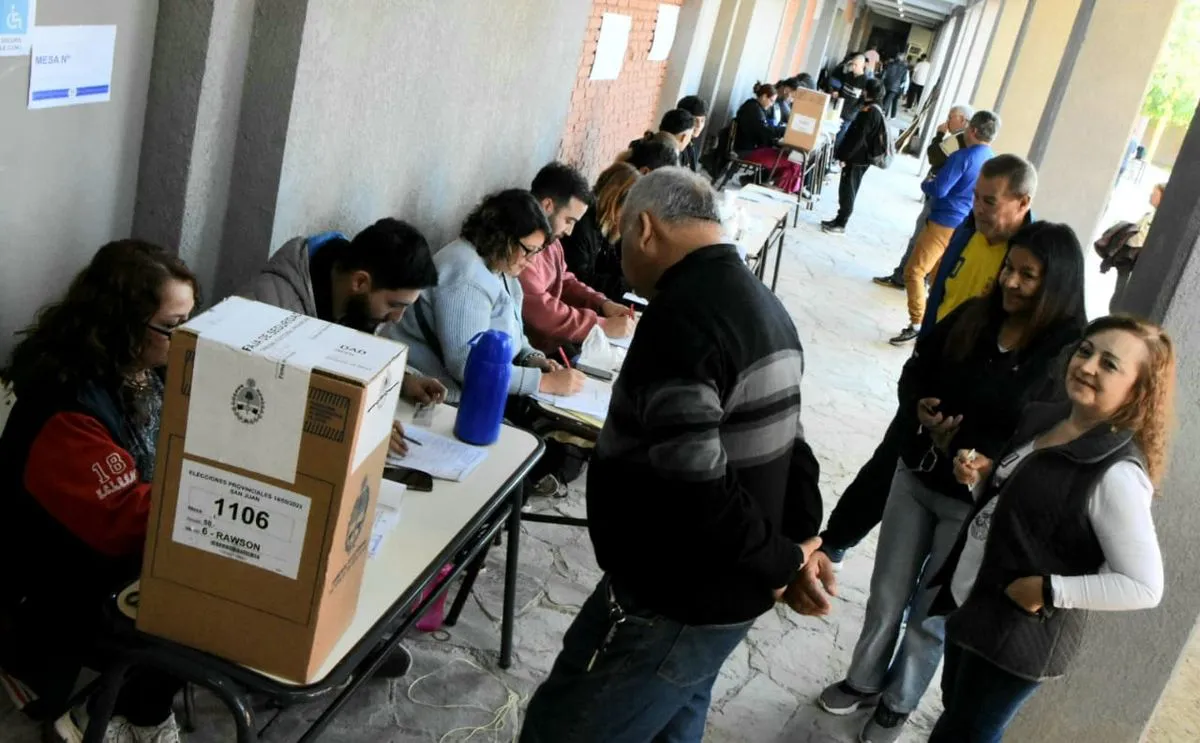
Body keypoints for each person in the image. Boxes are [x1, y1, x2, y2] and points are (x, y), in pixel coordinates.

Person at [519, 168, 825, 743]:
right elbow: (795, 446)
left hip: (677, 595)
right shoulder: (764, 305)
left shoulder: (684, 317)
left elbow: (696, 485)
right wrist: (803, 545)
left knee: (562, 729)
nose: (620, 253)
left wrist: (785, 561)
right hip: (721, 595)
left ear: (645, 228)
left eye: (619, 236)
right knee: (672, 722)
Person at [814, 222, 1089, 743]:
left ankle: (897, 704)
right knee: (887, 592)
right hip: (915, 475)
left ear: (1058, 284)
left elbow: (1046, 438)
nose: (1010, 281)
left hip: (972, 506)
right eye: (1010, 268)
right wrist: (918, 407)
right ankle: (864, 680)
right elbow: (917, 368)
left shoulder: (1062, 358)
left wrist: (985, 460)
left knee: (933, 611)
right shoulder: (973, 316)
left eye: (1028, 276)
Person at [928, 315, 1174, 742]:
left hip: (1015, 638)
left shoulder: (1116, 474)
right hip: (974, 605)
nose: (1088, 366)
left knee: (964, 735)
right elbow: (1029, 507)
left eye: (1109, 364)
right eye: (1086, 351)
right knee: (955, 717)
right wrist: (984, 478)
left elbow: (1144, 585)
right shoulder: (1048, 419)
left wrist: (1049, 590)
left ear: (1138, 391)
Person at [0, 241, 198, 743]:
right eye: (174, 327)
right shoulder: (65, 404)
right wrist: (211, 498)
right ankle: (113, 715)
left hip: (112, 549)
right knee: (200, 592)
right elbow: (123, 522)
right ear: (124, 321)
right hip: (61, 586)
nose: (186, 339)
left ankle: (135, 705)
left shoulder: (139, 368)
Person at [817, 154, 1039, 568]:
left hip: (975, 398)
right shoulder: (967, 232)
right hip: (933, 375)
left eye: (991, 202)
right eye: (976, 197)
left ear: (1023, 203)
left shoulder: (1029, 259)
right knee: (888, 460)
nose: (978, 208)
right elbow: (940, 298)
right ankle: (833, 544)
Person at [387, 189, 584, 403]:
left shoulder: (501, 268)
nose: (532, 261)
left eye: (536, 252)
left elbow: (512, 332)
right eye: (528, 250)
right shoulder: (466, 276)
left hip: (471, 394)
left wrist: (532, 358)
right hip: (434, 396)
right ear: (502, 237)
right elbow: (467, 365)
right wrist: (542, 383)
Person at [239, 218, 447, 420]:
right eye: (394, 305)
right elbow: (256, 393)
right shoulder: (269, 305)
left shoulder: (353, 298)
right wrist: (357, 426)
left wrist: (403, 380)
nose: (397, 319)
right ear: (360, 282)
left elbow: (355, 359)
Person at [890, 110, 1000, 345]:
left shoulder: (963, 157)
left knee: (915, 272)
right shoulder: (992, 161)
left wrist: (926, 183)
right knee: (938, 277)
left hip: (943, 221)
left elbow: (939, 189)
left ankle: (918, 322)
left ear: (972, 130)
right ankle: (935, 322)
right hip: (964, 226)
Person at [518, 162, 636, 356]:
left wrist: (603, 304)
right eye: (568, 221)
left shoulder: (552, 243)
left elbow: (565, 280)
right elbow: (544, 311)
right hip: (530, 353)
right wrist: (602, 325)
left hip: (548, 347)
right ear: (547, 206)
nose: (570, 231)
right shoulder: (522, 249)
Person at [875, 104, 974, 290]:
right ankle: (920, 279)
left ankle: (901, 277)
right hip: (955, 208)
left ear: (962, 120)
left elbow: (933, 156)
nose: (947, 120)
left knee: (920, 237)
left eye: (951, 116)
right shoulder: (975, 150)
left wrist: (938, 135)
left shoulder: (957, 140)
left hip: (941, 202)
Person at [561, 162, 640, 302]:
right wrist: (626, 284)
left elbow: (610, 264)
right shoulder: (582, 223)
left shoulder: (603, 224)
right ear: (615, 199)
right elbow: (580, 279)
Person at [820, 78, 888, 234]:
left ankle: (841, 223)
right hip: (860, 158)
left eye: (864, 90)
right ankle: (838, 219)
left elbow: (858, 138)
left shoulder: (870, 113)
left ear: (868, 92)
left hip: (857, 159)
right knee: (848, 189)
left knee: (848, 190)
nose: (862, 92)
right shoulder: (875, 109)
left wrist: (845, 157)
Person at [1100, 182, 1165, 312]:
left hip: (1131, 261)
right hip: (1128, 260)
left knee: (1121, 293)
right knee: (1120, 290)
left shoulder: (1155, 218)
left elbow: (1139, 239)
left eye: (1154, 194)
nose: (1151, 195)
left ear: (1163, 197)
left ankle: (1116, 314)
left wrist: (1125, 236)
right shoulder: (1151, 215)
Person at [733, 83, 807, 194]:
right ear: (763, 97)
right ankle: (777, 190)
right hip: (747, 151)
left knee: (790, 162)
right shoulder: (753, 109)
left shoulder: (757, 108)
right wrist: (785, 131)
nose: (772, 105)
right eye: (771, 100)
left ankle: (754, 180)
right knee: (792, 161)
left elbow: (766, 130)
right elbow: (765, 132)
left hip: (752, 147)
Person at [621, 109, 696, 162]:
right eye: (689, 137)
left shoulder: (638, 144)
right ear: (683, 137)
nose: (689, 141)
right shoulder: (668, 159)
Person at [831, 54, 868, 151]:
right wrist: (837, 93)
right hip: (839, 108)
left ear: (862, 65)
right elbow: (841, 89)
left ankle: (834, 154)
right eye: (853, 64)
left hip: (849, 114)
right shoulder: (848, 75)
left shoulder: (865, 81)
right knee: (831, 133)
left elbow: (863, 101)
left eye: (856, 65)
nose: (853, 67)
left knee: (840, 136)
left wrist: (853, 111)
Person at [676, 95, 709, 172]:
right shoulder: (677, 148)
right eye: (695, 120)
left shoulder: (690, 144)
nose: (699, 126)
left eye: (702, 121)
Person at [880, 51, 909, 118]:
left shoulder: (890, 64)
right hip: (895, 87)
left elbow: (884, 74)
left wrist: (882, 81)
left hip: (886, 84)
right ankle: (883, 112)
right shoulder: (904, 68)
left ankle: (884, 113)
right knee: (888, 100)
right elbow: (903, 80)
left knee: (884, 98)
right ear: (903, 59)